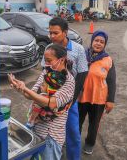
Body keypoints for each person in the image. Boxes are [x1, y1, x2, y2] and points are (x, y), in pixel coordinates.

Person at [8, 44, 75, 160]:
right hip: (34, 126)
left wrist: (25, 89)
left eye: (49, 60)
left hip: (51, 135)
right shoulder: (46, 72)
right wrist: (20, 87)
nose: (46, 64)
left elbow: (51, 103)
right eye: (45, 60)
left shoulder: (69, 81)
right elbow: (32, 95)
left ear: (62, 59)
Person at [43, 17, 88, 160]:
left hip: (70, 98)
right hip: (51, 97)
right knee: (49, 130)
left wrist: (71, 100)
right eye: (50, 33)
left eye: (55, 33)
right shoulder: (48, 49)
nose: (52, 36)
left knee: (73, 132)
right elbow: (45, 71)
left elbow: (82, 74)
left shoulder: (78, 49)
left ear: (65, 32)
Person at [78, 30, 116, 155]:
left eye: (102, 42)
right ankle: (74, 139)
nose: (98, 43)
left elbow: (111, 81)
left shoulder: (108, 60)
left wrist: (110, 100)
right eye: (96, 40)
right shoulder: (83, 54)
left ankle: (89, 143)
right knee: (77, 120)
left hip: (99, 98)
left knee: (94, 124)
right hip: (81, 96)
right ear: (92, 41)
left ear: (105, 44)